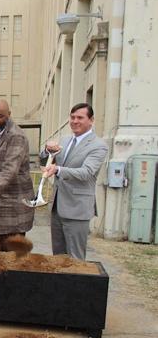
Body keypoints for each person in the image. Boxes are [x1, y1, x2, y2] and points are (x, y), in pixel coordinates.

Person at [41, 103, 108, 259]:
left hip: (77, 210)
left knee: (75, 259)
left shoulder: (99, 145)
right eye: (72, 117)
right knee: (58, 257)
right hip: (57, 207)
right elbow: (45, 159)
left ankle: (76, 284)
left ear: (91, 120)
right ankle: (60, 284)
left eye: (80, 117)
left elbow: (87, 172)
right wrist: (47, 150)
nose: (75, 121)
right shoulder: (64, 140)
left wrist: (58, 170)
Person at [0, 99, 34, 251]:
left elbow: (10, 171)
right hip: (0, 203)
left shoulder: (16, 136)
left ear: (9, 115)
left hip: (16, 206)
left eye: (0, 116)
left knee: (14, 255)